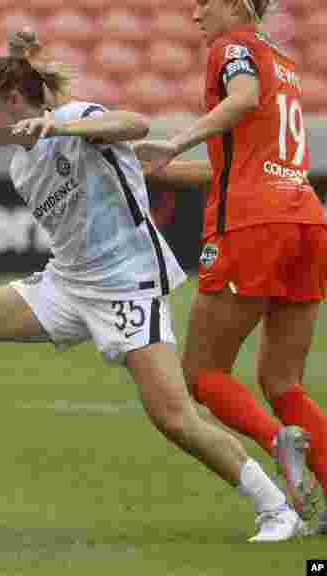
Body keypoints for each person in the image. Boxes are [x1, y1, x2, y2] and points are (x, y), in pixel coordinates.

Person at [0, 29, 305, 542]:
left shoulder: (74, 120)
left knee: (175, 419)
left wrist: (64, 127)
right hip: (66, 285)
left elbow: (136, 123)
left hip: (128, 288)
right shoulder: (21, 164)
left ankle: (277, 509)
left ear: (16, 102)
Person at [134, 0, 327, 528]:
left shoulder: (232, 47)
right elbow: (236, 164)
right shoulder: (282, 60)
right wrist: (154, 167)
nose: (195, 15)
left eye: (205, 3)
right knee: (283, 381)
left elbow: (240, 101)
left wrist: (174, 140)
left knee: (202, 372)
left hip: (252, 225)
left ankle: (275, 444)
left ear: (237, 4)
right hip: (306, 217)